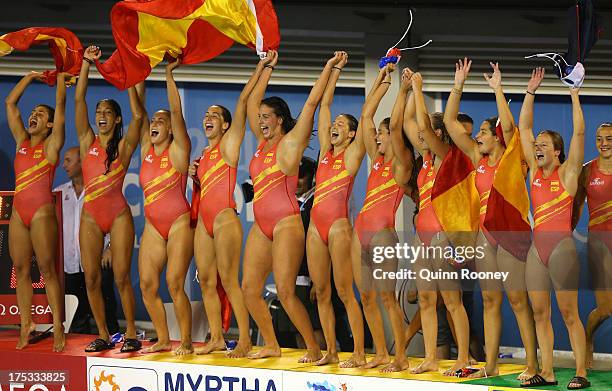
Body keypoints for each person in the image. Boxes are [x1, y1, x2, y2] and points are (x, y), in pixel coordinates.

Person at [241, 52, 340, 362]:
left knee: (285, 290)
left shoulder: (292, 142)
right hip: (261, 225)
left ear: (279, 119)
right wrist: (265, 68)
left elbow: (311, 103)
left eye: (266, 117)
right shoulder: (260, 142)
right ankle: (271, 344)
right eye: (259, 119)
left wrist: (327, 69)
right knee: (249, 289)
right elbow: (250, 103)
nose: (260, 122)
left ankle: (314, 348)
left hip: (286, 223)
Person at [442, 59, 538, 380]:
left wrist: (498, 88)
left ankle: (532, 365)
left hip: (511, 232)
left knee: (517, 299)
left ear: (496, 138)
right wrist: (458, 85)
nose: (478, 136)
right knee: (489, 299)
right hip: (485, 234)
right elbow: (451, 121)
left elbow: (510, 128)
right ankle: (492, 365)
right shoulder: (476, 158)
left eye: (484, 132)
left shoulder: (514, 158)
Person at [188, 52, 275, 358]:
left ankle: (245, 339)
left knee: (229, 280)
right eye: (205, 116)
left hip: (225, 219)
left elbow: (241, 103)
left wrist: (260, 68)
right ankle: (215, 337)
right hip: (205, 225)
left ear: (225, 125)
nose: (207, 119)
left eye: (214, 116)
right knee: (207, 282)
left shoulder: (229, 143)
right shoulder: (203, 157)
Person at [518, 68, 589, 389]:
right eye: (537, 145)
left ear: (557, 151)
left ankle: (581, 373)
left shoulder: (569, 172)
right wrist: (530, 92)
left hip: (561, 247)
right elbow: (524, 127)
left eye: (544, 144)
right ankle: (546, 371)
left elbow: (579, 135)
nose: (537, 146)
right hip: (537, 250)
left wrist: (574, 94)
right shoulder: (533, 170)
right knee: (539, 313)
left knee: (568, 313)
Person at [75, 45, 144, 353]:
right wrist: (87, 65)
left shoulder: (126, 146)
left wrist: (130, 80)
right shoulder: (87, 140)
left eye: (107, 113)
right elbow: (78, 99)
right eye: (98, 112)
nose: (100, 116)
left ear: (117, 120)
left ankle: (130, 332)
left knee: (120, 278)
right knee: (90, 278)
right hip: (90, 215)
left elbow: (140, 114)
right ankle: (103, 333)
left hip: (117, 215)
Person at [407, 72, 472, 375]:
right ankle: (431, 357)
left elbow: (420, 125)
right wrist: (406, 90)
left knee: (451, 300)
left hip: (444, 240)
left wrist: (419, 90)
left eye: (429, 134)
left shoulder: (448, 158)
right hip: (422, 242)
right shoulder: (425, 161)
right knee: (426, 299)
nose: (423, 137)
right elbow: (410, 125)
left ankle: (464, 358)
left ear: (440, 135)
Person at [351, 67, 416, 372]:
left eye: (382, 133)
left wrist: (402, 92)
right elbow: (365, 117)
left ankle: (400, 356)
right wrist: (382, 81)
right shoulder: (376, 160)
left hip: (383, 235)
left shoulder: (401, 165)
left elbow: (399, 124)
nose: (375, 135)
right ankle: (378, 352)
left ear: (393, 137)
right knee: (366, 296)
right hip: (360, 231)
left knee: (387, 298)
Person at [306, 51, 367, 367]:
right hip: (315, 227)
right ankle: (330, 350)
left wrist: (383, 79)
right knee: (321, 290)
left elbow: (367, 117)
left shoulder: (353, 155)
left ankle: (358, 352)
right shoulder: (325, 154)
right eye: (335, 125)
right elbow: (325, 106)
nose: (335, 126)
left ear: (352, 134)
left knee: (346, 292)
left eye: (342, 125)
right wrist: (333, 68)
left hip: (340, 227)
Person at [6, 71, 69, 351]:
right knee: (20, 269)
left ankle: (58, 327)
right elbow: (10, 103)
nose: (34, 116)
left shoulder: (52, 146)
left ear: (51, 125)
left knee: (47, 270)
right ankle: (26, 324)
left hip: (42, 212)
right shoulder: (21, 141)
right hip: (19, 212)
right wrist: (30, 76)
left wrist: (59, 84)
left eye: (41, 114)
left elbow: (63, 110)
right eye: (33, 112)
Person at [136, 60, 193, 355]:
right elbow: (138, 111)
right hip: (153, 227)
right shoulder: (146, 149)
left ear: (172, 128)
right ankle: (161, 338)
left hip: (179, 222)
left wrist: (168, 74)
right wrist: (135, 72)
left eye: (161, 121)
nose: (155, 124)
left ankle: (184, 341)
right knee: (147, 284)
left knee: (173, 283)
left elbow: (176, 112)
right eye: (153, 122)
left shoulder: (179, 148)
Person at [55, 147, 119, 335]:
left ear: (82, 162)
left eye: (68, 160)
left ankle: (113, 339)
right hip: (70, 265)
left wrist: (111, 248)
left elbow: (118, 220)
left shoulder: (100, 191)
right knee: (77, 316)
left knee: (106, 311)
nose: (63, 165)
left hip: (98, 260)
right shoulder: (58, 193)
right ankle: (79, 351)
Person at [572, 122, 611, 369]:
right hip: (600, 246)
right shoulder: (587, 171)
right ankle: (587, 339)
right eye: (599, 139)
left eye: (609, 138)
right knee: (606, 308)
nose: (604, 143)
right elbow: (575, 207)